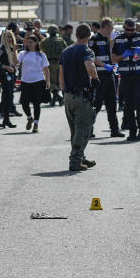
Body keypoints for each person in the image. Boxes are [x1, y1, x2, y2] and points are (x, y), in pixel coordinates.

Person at [60, 23, 99, 171]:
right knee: (84, 129)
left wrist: (64, 92)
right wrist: (95, 78)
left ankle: (80, 157)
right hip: (81, 96)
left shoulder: (66, 51)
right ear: (89, 36)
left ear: (76, 35)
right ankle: (75, 161)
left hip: (69, 96)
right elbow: (90, 66)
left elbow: (61, 73)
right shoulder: (86, 50)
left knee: (75, 131)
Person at [111, 18, 140, 142]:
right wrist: (122, 56)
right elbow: (113, 59)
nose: (130, 32)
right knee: (128, 105)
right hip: (126, 77)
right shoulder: (118, 39)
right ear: (124, 28)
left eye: (133, 29)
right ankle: (132, 131)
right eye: (128, 30)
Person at [89, 18, 123, 138]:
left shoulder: (109, 39)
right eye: (112, 27)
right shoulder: (94, 39)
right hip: (99, 76)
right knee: (96, 104)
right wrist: (104, 65)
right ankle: (89, 129)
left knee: (112, 104)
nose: (112, 30)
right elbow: (91, 58)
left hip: (110, 75)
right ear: (107, 26)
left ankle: (115, 130)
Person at [18, 34, 51, 133]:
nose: (29, 44)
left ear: (36, 43)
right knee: (24, 103)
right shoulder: (23, 53)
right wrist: (14, 51)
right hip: (25, 81)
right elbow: (16, 62)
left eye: (31, 42)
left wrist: (48, 81)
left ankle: (36, 124)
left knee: (37, 104)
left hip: (38, 81)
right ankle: (29, 118)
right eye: (27, 42)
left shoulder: (41, 54)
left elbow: (46, 68)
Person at [0, 30, 19, 128]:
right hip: (4, 75)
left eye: (11, 36)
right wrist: (6, 67)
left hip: (11, 75)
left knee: (8, 97)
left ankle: (5, 119)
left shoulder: (12, 48)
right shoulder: (3, 48)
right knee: (8, 97)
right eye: (7, 37)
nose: (10, 39)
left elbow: (15, 62)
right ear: (4, 38)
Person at [39, 25, 67, 106]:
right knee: (57, 83)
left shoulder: (45, 42)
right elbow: (65, 51)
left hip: (49, 64)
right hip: (59, 63)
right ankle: (55, 99)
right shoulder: (62, 41)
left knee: (51, 83)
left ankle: (58, 97)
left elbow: (39, 50)